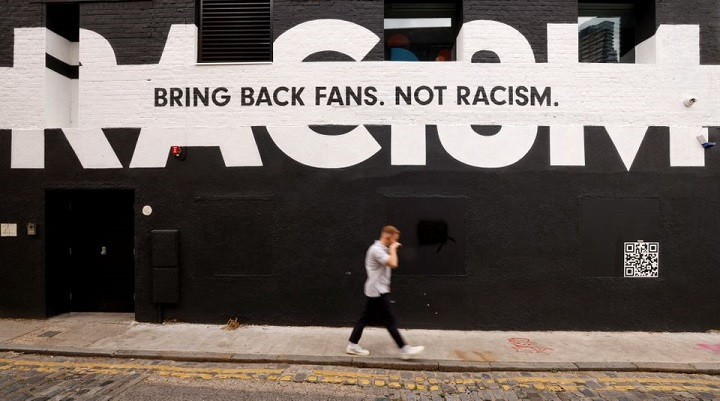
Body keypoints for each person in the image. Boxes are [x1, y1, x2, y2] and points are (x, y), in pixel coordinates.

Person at [346, 225, 425, 359]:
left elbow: (382, 271)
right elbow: (393, 263)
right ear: (387, 237)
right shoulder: (376, 250)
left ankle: (352, 345)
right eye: (394, 240)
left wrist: (386, 285)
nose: (396, 243)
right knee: (389, 320)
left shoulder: (382, 249)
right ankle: (404, 349)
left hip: (378, 289)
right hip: (377, 291)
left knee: (365, 318)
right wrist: (393, 248)